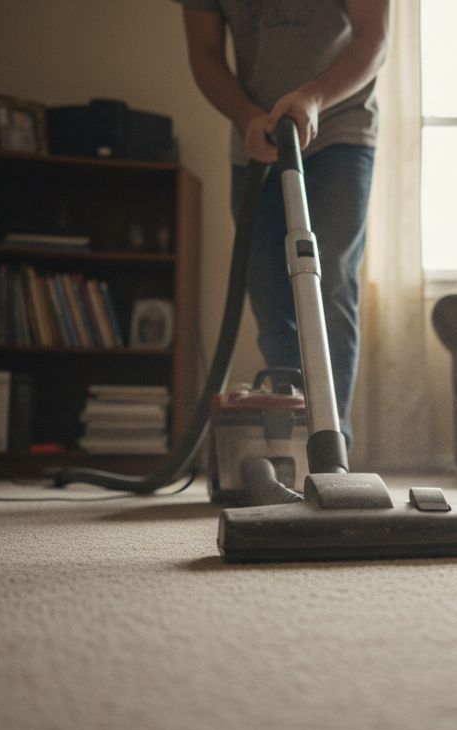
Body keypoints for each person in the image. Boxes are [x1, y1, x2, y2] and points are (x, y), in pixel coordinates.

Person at [177, 0, 389, 442]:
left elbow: (374, 37)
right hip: (256, 138)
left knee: (329, 282)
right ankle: (293, 440)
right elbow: (205, 54)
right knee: (270, 295)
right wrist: (248, 116)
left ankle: (332, 444)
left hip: (338, 130)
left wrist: (313, 97)